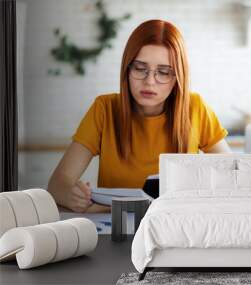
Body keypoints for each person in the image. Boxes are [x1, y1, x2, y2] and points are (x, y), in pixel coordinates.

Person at [47, 19, 231, 213]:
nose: (150, 81)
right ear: (127, 70)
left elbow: (233, 175)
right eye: (140, 69)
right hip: (115, 230)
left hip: (177, 227)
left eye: (164, 72)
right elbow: (57, 184)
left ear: (178, 77)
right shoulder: (104, 109)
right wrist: (70, 194)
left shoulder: (195, 108)